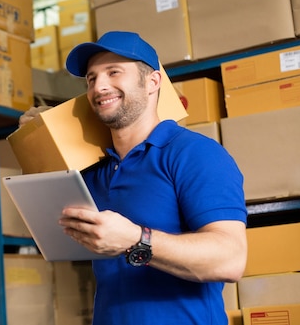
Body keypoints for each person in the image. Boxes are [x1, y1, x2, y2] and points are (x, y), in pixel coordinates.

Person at [19, 31, 247, 325]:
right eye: (91, 78)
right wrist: (38, 139)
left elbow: (230, 260)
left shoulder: (195, 154)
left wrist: (135, 240)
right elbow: (51, 236)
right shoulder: (92, 170)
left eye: (114, 72)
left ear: (152, 82)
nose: (100, 86)